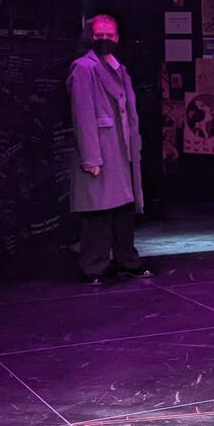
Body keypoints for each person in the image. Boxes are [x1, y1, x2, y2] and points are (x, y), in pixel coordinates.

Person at [67, 14, 151, 285]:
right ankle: (94, 267)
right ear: (91, 37)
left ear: (117, 37)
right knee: (98, 211)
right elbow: (83, 115)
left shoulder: (119, 69)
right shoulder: (84, 68)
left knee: (123, 208)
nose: (104, 39)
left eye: (109, 35)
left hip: (121, 148)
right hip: (101, 150)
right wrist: (91, 157)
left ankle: (127, 261)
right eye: (99, 35)